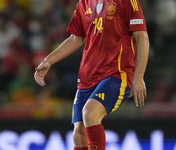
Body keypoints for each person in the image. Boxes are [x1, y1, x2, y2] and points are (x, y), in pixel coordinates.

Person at [34, 0, 149, 150]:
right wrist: (48, 60)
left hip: (116, 73)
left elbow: (142, 37)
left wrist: (139, 76)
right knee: (78, 134)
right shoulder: (84, 3)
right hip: (87, 76)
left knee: (90, 113)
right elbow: (76, 38)